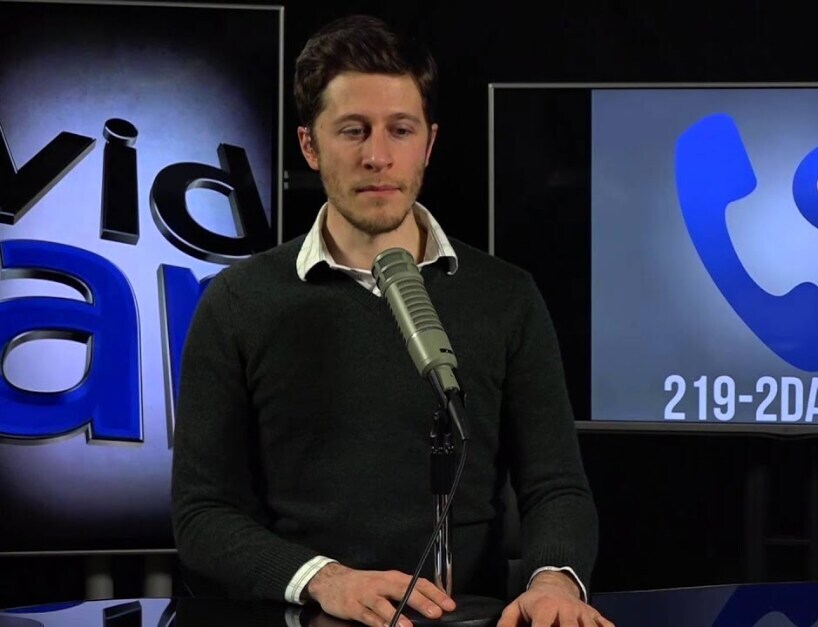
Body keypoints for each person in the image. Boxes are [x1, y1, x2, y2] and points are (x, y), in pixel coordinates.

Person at [170, 14, 613, 627]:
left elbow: (556, 486)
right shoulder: (240, 301)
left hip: (467, 617)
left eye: (400, 131)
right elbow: (202, 515)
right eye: (353, 130)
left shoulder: (505, 296)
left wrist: (555, 584)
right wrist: (325, 580)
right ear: (310, 146)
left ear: (428, 144)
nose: (377, 156)